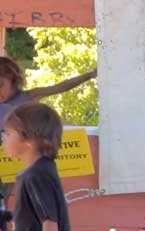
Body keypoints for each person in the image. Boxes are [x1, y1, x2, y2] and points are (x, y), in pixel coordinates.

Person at [0, 56, 96, 228]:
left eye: (1, 84)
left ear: (13, 81)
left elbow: (59, 87)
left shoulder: (28, 97)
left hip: (19, 161)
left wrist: (89, 75)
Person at [1, 102, 70, 231]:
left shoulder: (36, 175)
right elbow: (31, 216)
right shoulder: (42, 169)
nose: (3, 139)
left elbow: (50, 222)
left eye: (8, 134)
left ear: (29, 140)